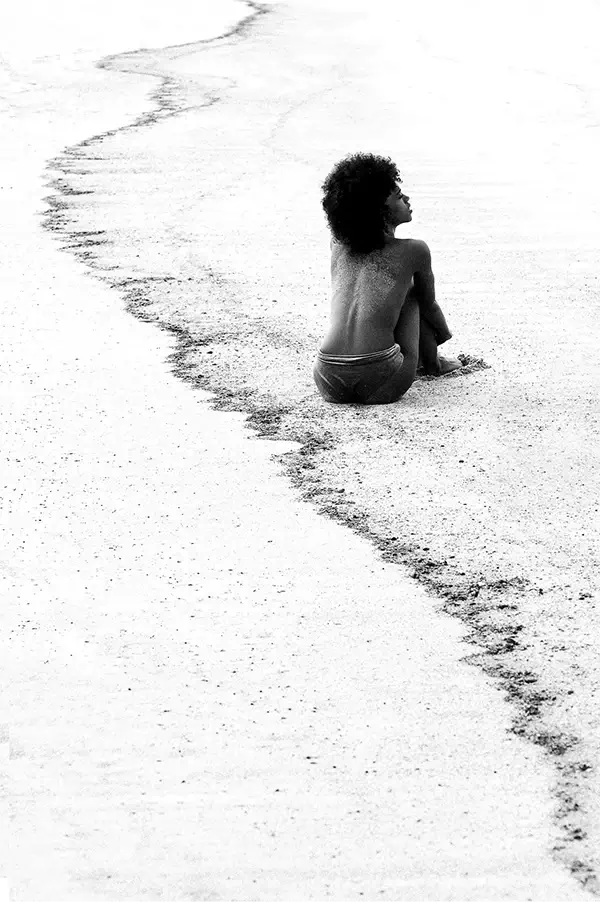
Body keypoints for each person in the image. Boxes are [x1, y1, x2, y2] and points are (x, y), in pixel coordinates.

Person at [314, 152, 462, 405]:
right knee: (412, 293)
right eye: (397, 196)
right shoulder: (414, 250)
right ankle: (433, 362)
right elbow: (429, 305)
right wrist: (443, 334)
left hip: (327, 374)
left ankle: (429, 360)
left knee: (383, 291)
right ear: (379, 211)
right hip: (380, 373)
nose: (406, 198)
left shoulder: (337, 244)